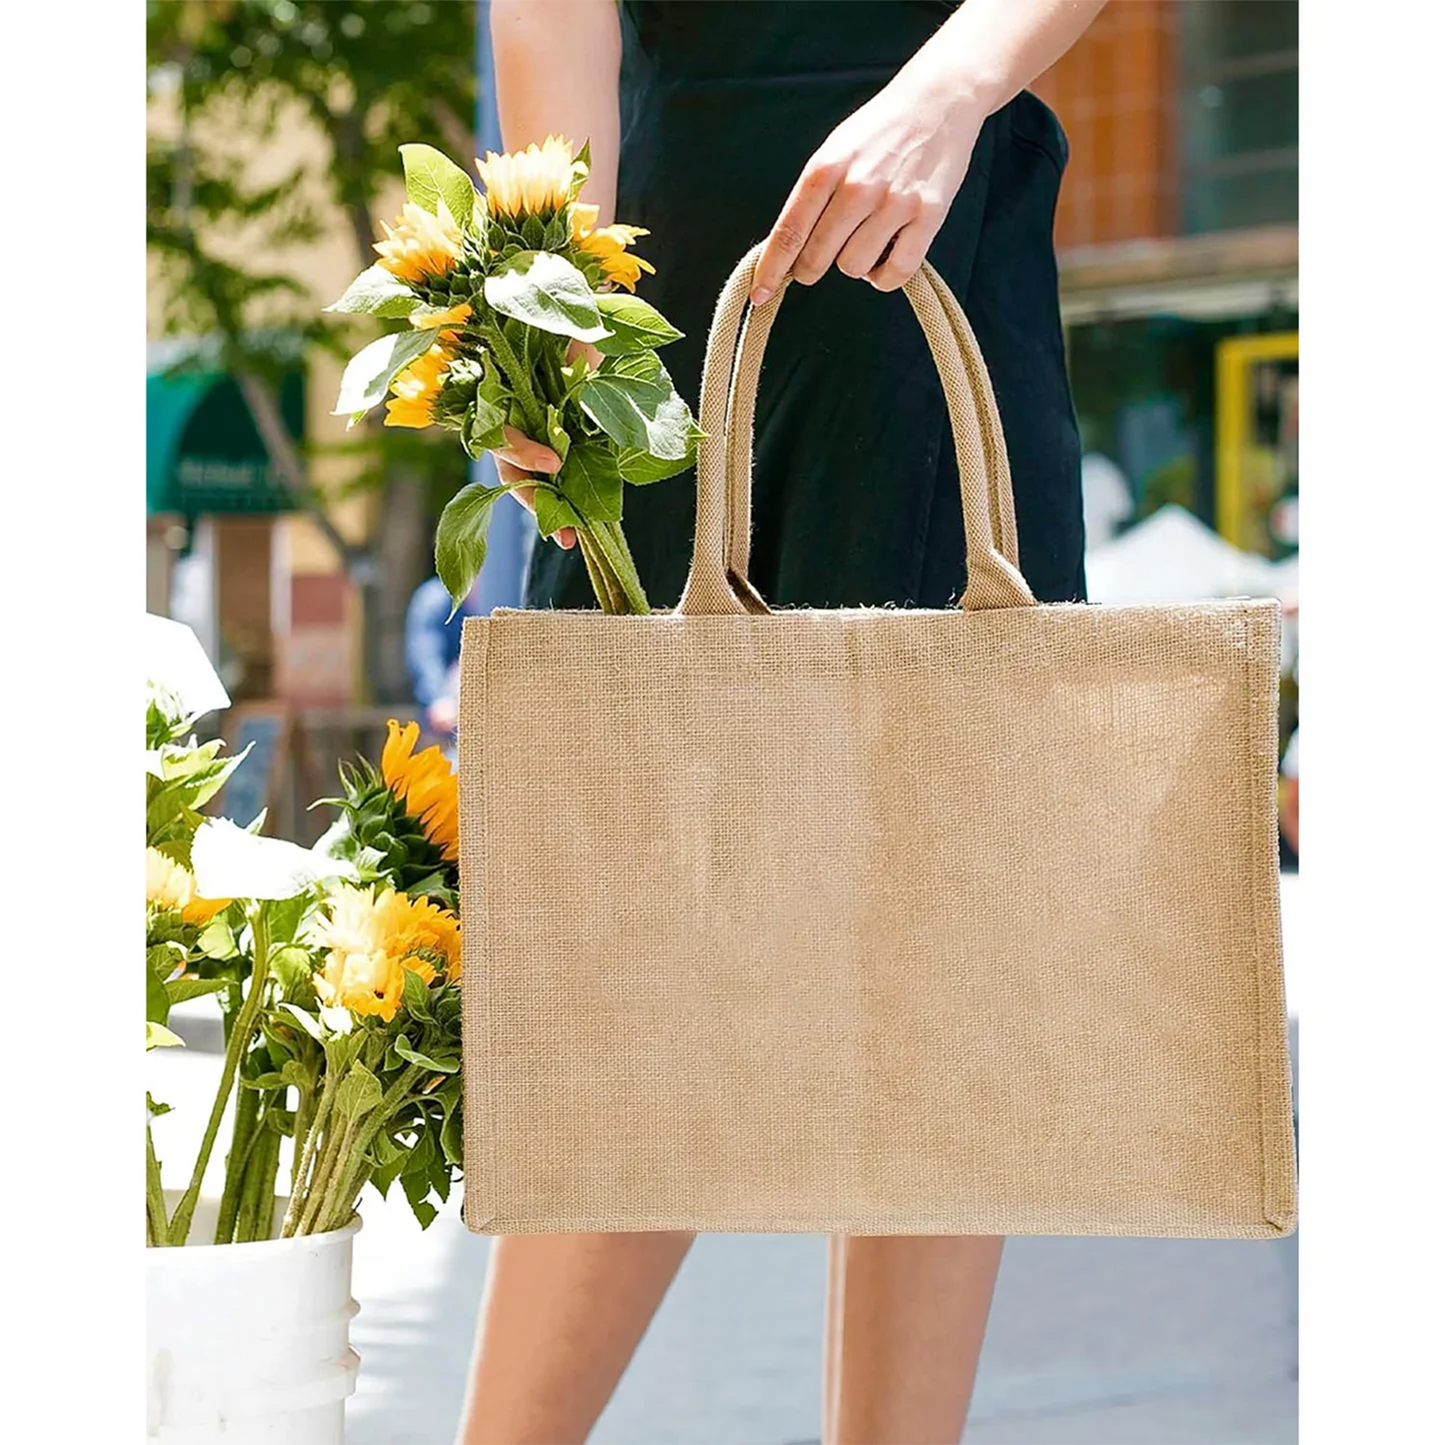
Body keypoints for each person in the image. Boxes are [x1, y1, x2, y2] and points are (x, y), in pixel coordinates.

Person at [462, 3, 1107, 1442]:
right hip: (665, 313)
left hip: (941, 249)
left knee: (940, 967)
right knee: (652, 971)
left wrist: (950, 87)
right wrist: (544, 302)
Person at [404, 574, 484, 748]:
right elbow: (425, 653)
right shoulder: (434, 599)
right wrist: (439, 699)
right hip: (446, 723)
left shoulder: (485, 596)